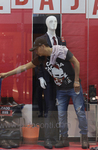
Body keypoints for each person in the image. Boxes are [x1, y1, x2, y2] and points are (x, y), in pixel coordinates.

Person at [0, 38, 89, 149]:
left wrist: (76, 81)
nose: (36, 52)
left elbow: (76, 62)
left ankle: (84, 138)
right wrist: (7, 74)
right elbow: (24, 67)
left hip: (73, 88)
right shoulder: (41, 59)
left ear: (42, 46)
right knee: (61, 116)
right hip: (60, 90)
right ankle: (64, 139)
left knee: (80, 112)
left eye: (36, 50)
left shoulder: (61, 51)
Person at [34, 15, 66, 149]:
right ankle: (48, 138)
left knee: (59, 109)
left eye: (55, 21)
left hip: (59, 79)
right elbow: (36, 60)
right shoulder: (40, 39)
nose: (54, 24)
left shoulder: (60, 40)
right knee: (49, 108)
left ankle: (57, 137)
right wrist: (40, 77)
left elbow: (64, 59)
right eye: (51, 21)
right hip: (47, 79)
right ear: (47, 24)